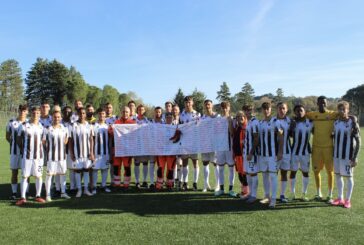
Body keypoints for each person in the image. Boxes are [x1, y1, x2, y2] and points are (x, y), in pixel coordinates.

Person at [305, 96, 338, 202]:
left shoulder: (333, 114)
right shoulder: (312, 115)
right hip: (316, 148)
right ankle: (318, 193)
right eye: (320, 103)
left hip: (329, 148)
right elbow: (301, 115)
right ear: (317, 104)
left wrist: (353, 118)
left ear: (327, 104)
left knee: (330, 172)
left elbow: (345, 114)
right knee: (316, 171)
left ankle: (330, 194)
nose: (322, 104)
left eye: (324, 103)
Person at [331, 101, 360, 208]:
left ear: (348, 110)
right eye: (340, 109)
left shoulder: (352, 122)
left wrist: (355, 156)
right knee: (338, 176)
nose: (342, 111)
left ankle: (348, 200)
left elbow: (359, 141)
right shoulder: (336, 122)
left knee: (349, 177)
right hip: (337, 155)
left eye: (344, 109)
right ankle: (340, 198)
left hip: (348, 155)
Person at [16, 106, 45, 206]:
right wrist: (24, 149)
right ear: (31, 114)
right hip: (27, 157)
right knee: (25, 176)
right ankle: (23, 197)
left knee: (39, 176)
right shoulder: (24, 125)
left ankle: (38, 195)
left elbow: (43, 141)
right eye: (34, 113)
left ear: (40, 114)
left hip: (39, 157)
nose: (35, 115)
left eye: (37, 113)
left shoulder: (41, 126)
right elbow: (18, 139)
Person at [258, 102, 283, 208]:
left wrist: (280, 152)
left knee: (273, 176)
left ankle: (273, 199)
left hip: (273, 155)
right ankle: (267, 196)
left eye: (267, 108)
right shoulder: (261, 123)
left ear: (270, 109)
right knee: (264, 175)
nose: (266, 110)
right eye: (264, 109)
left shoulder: (275, 122)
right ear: (262, 110)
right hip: (263, 155)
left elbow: (281, 137)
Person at [43, 110, 70, 201]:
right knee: (49, 175)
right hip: (51, 157)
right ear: (52, 118)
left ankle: (63, 192)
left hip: (62, 156)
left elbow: (66, 140)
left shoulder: (64, 128)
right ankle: (48, 194)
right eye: (55, 117)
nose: (57, 118)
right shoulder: (47, 129)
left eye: (58, 117)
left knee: (62, 174)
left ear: (61, 118)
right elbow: (43, 142)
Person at [69, 107, 94, 197]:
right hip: (77, 153)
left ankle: (86, 189)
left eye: (84, 113)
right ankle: (79, 190)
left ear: (86, 114)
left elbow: (91, 139)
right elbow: (70, 140)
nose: (82, 115)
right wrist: (71, 153)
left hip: (87, 154)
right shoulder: (72, 126)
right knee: (77, 172)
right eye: (80, 113)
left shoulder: (89, 125)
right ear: (77, 114)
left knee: (87, 171)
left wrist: (91, 152)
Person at [289, 105, 313, 201]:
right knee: (293, 172)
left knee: (305, 173)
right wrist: (291, 127)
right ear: (295, 113)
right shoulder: (293, 123)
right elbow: (290, 135)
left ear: (305, 111)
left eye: (301, 110)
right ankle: (292, 194)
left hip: (306, 152)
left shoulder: (310, 123)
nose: (299, 112)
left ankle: (304, 194)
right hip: (294, 152)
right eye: (297, 111)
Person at [109, 106, 136, 189]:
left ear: (129, 113)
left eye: (127, 112)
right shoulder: (116, 122)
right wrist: (111, 129)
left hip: (127, 150)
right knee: (116, 167)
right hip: (117, 149)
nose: (125, 113)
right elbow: (110, 133)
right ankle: (117, 184)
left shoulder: (132, 123)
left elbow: (135, 135)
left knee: (127, 167)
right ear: (121, 112)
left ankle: (126, 184)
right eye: (123, 112)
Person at [6, 104, 28, 199]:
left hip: (26, 153)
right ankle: (14, 193)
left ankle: (25, 192)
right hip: (15, 152)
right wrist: (13, 144)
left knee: (26, 173)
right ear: (18, 111)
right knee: (14, 172)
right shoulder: (11, 122)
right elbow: (7, 136)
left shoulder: (29, 122)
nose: (22, 112)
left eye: (24, 111)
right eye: (21, 110)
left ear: (27, 112)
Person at [215, 101, 237, 197]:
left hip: (229, 147)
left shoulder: (232, 119)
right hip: (220, 147)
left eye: (226, 107)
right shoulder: (217, 119)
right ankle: (222, 189)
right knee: (220, 168)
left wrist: (229, 122)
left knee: (231, 168)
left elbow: (232, 133)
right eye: (222, 107)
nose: (224, 109)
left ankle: (231, 189)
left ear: (229, 108)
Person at [180, 96, 201, 191]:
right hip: (184, 142)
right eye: (186, 102)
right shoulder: (182, 115)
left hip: (194, 143)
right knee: (184, 163)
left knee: (195, 163)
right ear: (184, 103)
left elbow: (200, 128)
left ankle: (195, 183)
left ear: (192, 103)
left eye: (189, 102)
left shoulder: (197, 114)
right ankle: (185, 182)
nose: (187, 104)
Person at [274, 102, 292, 203]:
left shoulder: (290, 121)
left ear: (287, 109)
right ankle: (273, 194)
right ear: (277, 109)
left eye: (283, 108)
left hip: (287, 152)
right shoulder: (273, 120)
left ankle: (282, 194)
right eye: (280, 108)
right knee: (274, 173)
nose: (282, 110)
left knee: (284, 173)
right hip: (275, 152)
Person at [200, 99, 220, 192]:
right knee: (205, 164)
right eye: (206, 105)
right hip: (205, 143)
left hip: (215, 144)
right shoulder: (202, 118)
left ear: (212, 105)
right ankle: (206, 184)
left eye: (209, 104)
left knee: (216, 164)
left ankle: (218, 184)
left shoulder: (217, 116)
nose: (207, 106)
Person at [242, 105, 260, 203]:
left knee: (253, 173)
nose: (248, 112)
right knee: (248, 173)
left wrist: (251, 153)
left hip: (252, 153)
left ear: (253, 111)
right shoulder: (248, 122)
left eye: (250, 110)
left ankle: (254, 195)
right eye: (246, 111)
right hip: (246, 152)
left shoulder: (255, 122)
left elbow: (256, 139)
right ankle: (250, 193)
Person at [91, 108, 111, 194]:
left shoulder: (108, 126)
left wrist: (110, 151)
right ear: (98, 115)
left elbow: (110, 139)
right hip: (96, 152)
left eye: (103, 114)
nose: (102, 116)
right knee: (95, 170)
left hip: (106, 152)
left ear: (105, 116)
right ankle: (94, 187)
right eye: (100, 114)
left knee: (105, 169)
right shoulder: (94, 126)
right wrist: (91, 152)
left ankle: (103, 185)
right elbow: (91, 140)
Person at [156, 112, 177, 191]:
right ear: (165, 118)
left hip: (171, 152)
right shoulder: (160, 127)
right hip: (161, 151)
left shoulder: (176, 127)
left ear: (172, 118)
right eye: (167, 117)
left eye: (170, 117)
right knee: (160, 168)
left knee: (170, 169)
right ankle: (159, 185)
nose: (169, 119)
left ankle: (170, 185)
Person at [232, 110, 249, 198]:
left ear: (245, 117)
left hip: (245, 155)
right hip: (238, 155)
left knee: (245, 174)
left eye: (241, 116)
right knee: (240, 174)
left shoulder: (248, 128)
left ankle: (247, 192)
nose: (240, 118)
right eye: (238, 117)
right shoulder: (238, 128)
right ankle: (243, 191)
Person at [134, 104, 151, 189]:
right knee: (136, 163)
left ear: (144, 111)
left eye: (142, 110)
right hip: (136, 144)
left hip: (145, 145)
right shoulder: (133, 120)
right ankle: (137, 182)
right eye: (139, 110)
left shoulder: (147, 121)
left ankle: (144, 181)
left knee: (145, 163)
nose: (141, 111)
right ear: (137, 111)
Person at [62, 106, 76, 193]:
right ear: (63, 112)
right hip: (60, 151)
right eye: (66, 112)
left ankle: (72, 187)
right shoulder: (59, 122)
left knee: (71, 169)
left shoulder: (73, 124)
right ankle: (59, 188)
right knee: (61, 170)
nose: (67, 113)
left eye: (69, 112)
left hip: (71, 150)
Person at [172, 104, 183, 189]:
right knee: (174, 164)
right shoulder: (169, 120)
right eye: (174, 110)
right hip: (172, 145)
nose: (175, 111)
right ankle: (174, 181)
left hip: (181, 145)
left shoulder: (182, 120)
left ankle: (180, 181)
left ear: (179, 111)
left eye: (176, 110)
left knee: (180, 163)